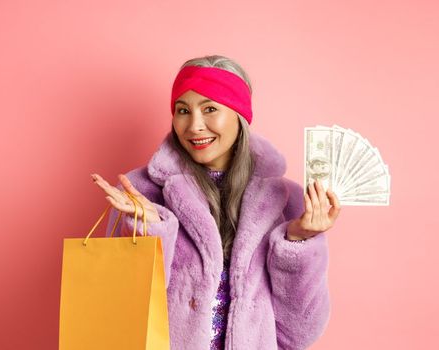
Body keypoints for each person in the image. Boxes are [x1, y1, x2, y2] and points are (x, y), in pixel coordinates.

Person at [90, 54, 340, 350]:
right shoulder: (139, 192)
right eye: (183, 110)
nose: (194, 125)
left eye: (210, 109)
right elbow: (120, 311)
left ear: (239, 115)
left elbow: (299, 331)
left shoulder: (287, 202)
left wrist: (297, 243)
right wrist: (149, 230)